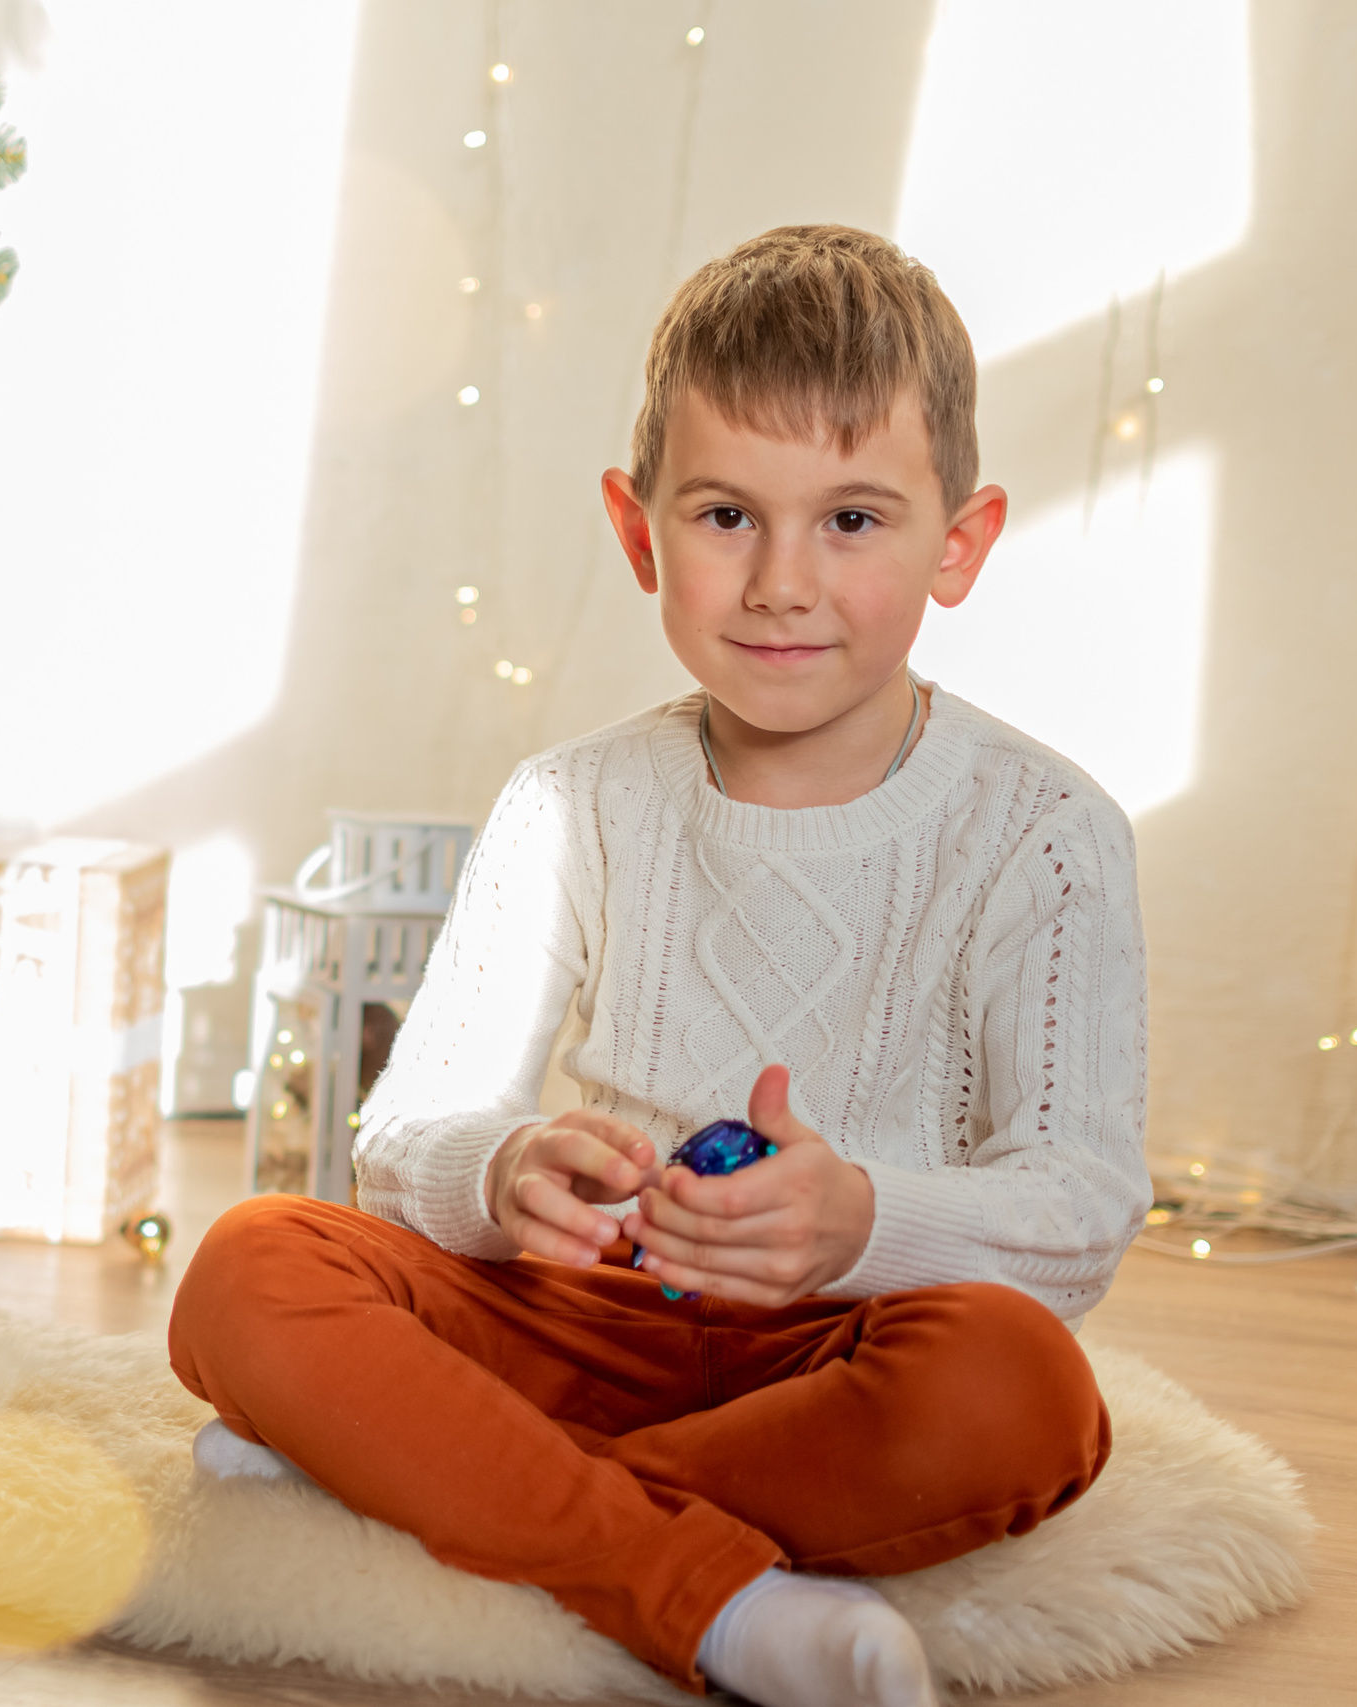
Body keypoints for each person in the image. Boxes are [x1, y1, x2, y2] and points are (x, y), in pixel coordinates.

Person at [168, 225, 1151, 1707]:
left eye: (854, 520)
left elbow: (1077, 1211)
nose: (781, 583)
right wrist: (506, 1167)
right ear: (640, 533)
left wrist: (859, 1222)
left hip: (836, 1351)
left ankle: (435, 1487)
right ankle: (711, 1598)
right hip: (576, 1319)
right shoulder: (570, 802)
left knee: (1023, 1391)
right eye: (726, 515)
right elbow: (405, 1135)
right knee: (254, 1266)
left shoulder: (1048, 833)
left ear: (961, 543)